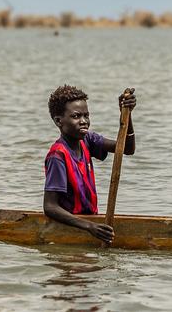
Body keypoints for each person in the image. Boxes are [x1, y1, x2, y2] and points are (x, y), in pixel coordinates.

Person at [42, 84, 138, 242]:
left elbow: (126, 149)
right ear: (59, 121)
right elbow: (50, 207)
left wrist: (126, 115)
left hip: (90, 223)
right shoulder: (58, 155)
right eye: (76, 116)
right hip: (73, 227)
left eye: (86, 116)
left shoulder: (87, 140)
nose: (84, 121)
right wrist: (89, 227)